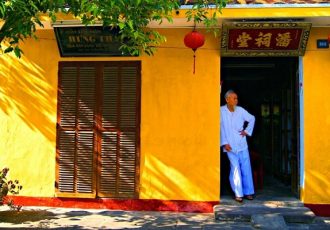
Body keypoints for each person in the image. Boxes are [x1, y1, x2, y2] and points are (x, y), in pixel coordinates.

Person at [220, 90, 255, 203]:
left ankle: (248, 192)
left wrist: (246, 131)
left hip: (242, 144)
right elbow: (221, 129)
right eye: (233, 98)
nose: (236, 100)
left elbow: (252, 118)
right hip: (229, 145)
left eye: (236, 98)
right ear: (227, 99)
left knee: (246, 167)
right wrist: (224, 143)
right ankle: (238, 193)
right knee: (235, 168)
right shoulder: (221, 111)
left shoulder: (240, 110)